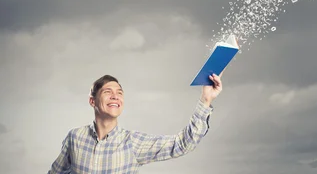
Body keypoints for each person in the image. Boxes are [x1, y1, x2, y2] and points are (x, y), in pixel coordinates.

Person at [48, 73, 222, 173]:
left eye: (120, 93)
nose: (115, 96)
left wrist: (205, 100)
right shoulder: (75, 138)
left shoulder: (133, 144)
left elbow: (182, 144)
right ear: (92, 101)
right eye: (108, 92)